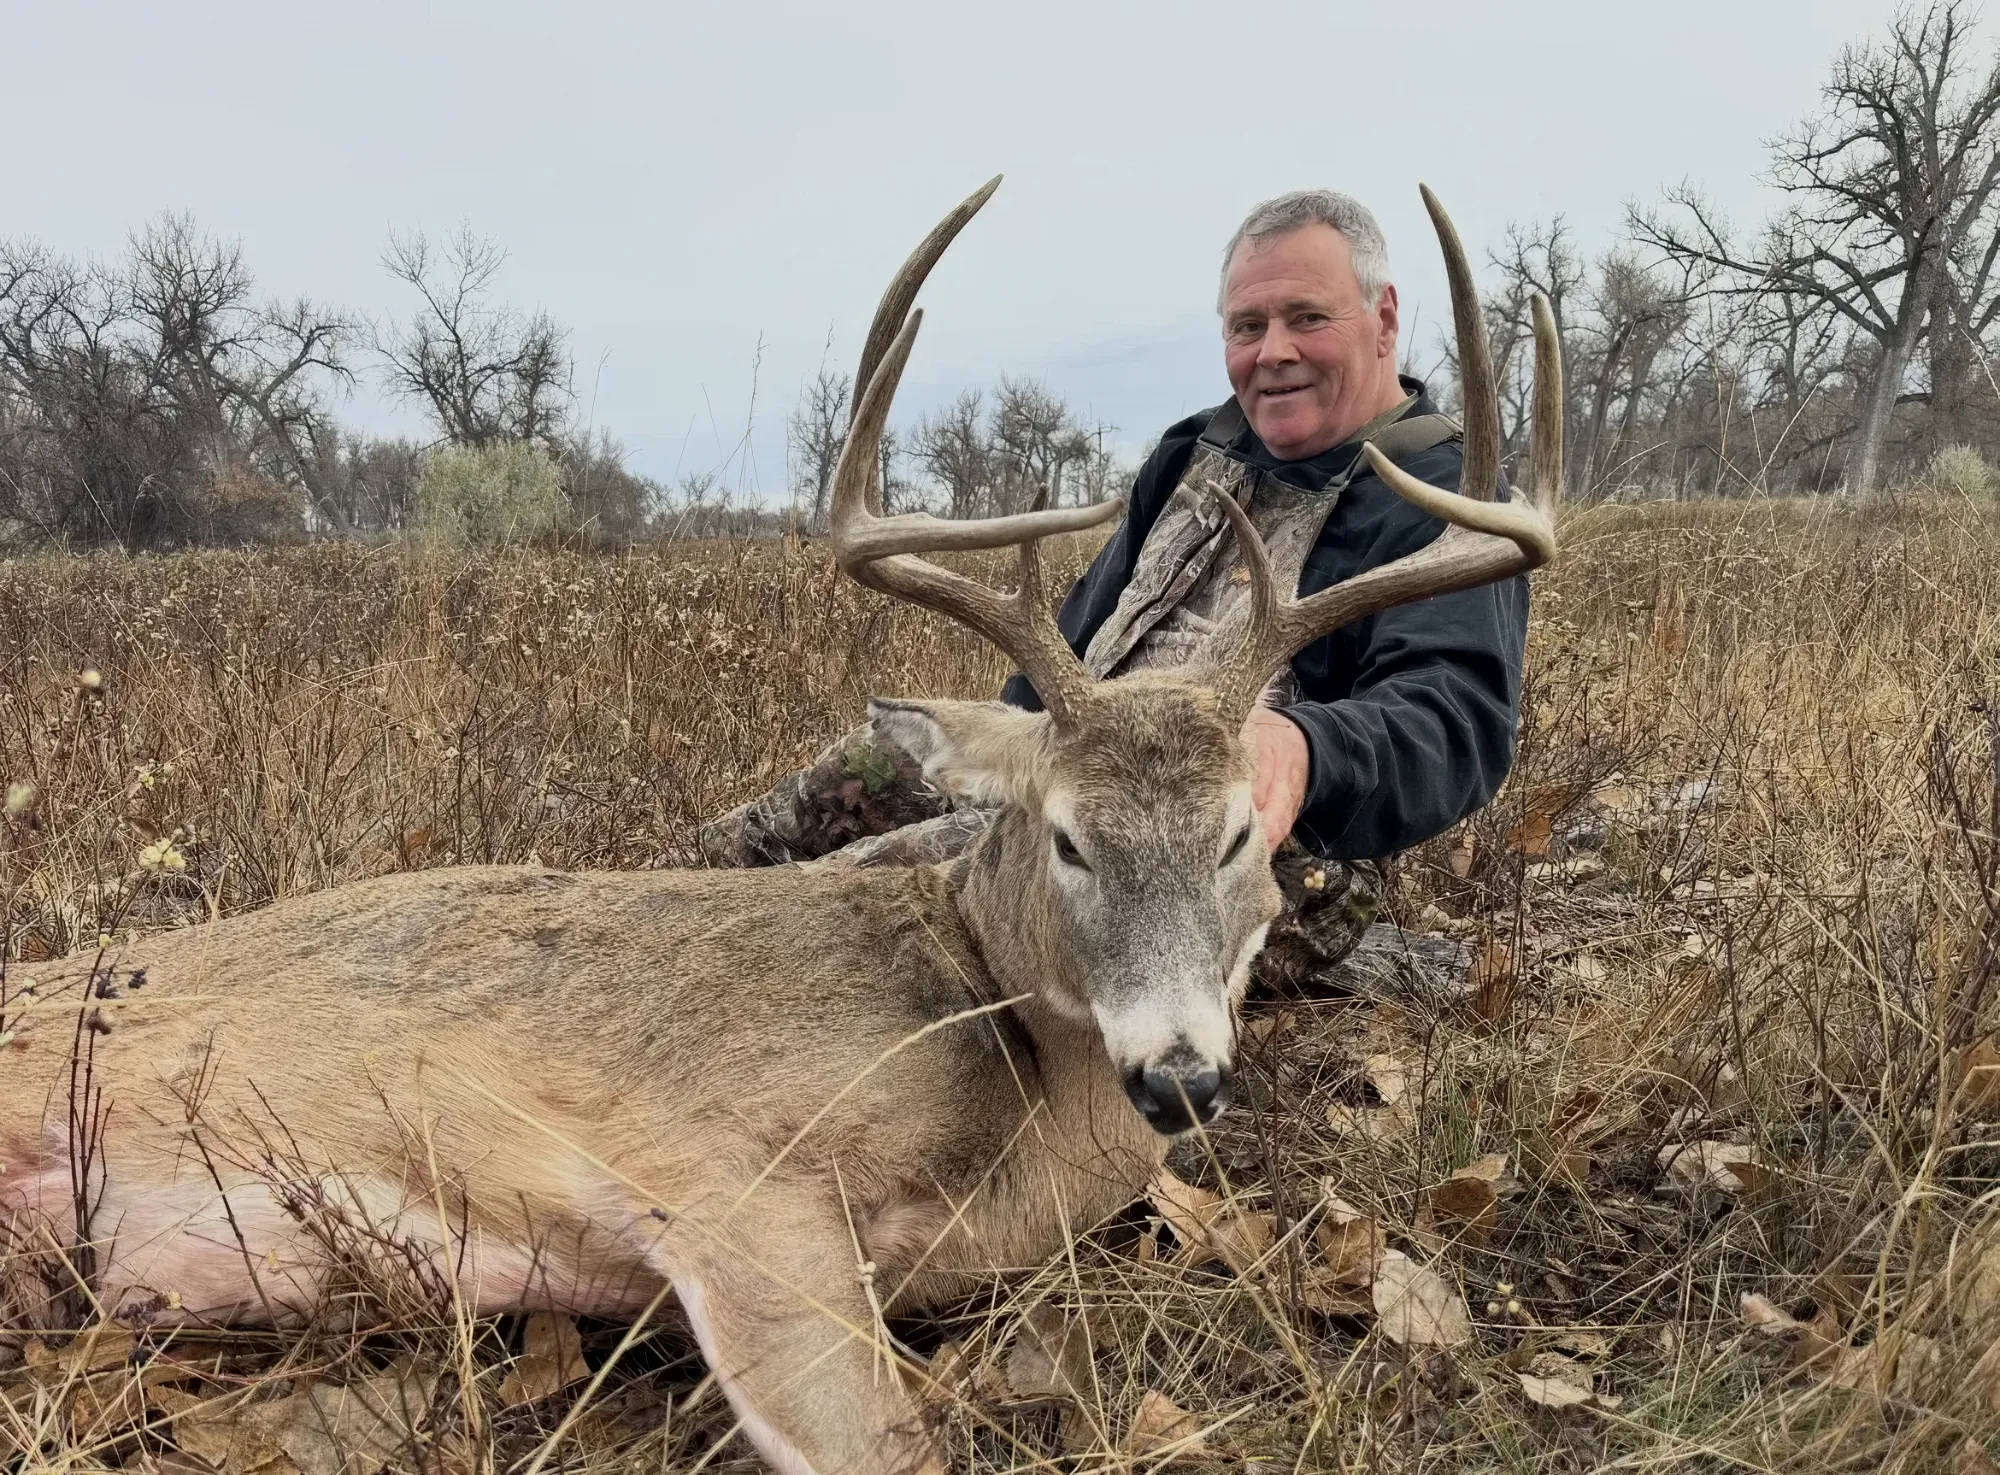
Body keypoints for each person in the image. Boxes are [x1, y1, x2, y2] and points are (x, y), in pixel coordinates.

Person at [699, 189, 1529, 989]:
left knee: (882, 892)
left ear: (1383, 318)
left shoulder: (1444, 497)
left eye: (1307, 318)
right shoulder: (1196, 452)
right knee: (866, 766)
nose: (1272, 351)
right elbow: (1081, 639)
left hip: (1240, 838)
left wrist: (1307, 749)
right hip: (1090, 767)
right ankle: (663, 905)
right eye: (1248, 326)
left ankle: (717, 970)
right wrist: (1016, 741)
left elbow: (1454, 718)